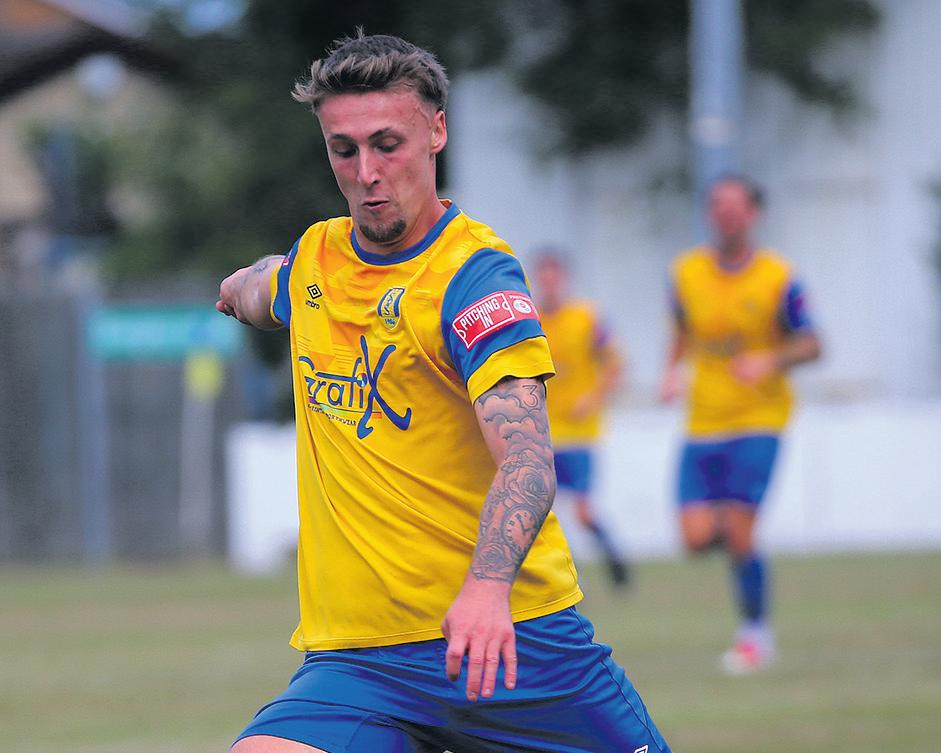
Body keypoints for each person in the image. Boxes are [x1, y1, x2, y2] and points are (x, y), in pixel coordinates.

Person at [217, 32, 671, 753]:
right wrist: (242, 287)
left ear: (436, 131)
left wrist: (487, 589)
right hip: (361, 663)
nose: (367, 172)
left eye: (387, 144)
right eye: (343, 150)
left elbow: (528, 461)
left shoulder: (475, 278)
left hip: (510, 640)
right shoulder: (316, 262)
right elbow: (268, 285)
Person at [660, 175, 821, 674]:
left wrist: (770, 361)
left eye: (736, 206)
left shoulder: (778, 277)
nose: (726, 214)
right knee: (693, 538)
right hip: (703, 421)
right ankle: (740, 547)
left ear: (753, 214)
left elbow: (813, 344)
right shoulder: (685, 272)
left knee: (740, 529)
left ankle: (755, 634)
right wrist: (671, 371)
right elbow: (681, 332)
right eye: (718, 205)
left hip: (759, 419)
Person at [532, 251, 630, 587]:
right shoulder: (529, 318)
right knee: (539, 511)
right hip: (541, 432)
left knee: (584, 512)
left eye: (554, 277)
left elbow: (616, 365)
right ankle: (561, 579)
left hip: (579, 433)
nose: (549, 284)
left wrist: (592, 398)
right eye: (543, 277)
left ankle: (615, 561)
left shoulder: (586, 317)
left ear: (564, 279)